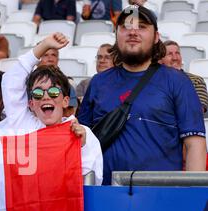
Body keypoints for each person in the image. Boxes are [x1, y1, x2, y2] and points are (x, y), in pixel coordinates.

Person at [78, 5, 206, 185]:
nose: (132, 32)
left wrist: (193, 198)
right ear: (116, 35)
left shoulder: (178, 82)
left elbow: (195, 145)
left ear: (156, 37)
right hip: (104, 197)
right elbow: (80, 143)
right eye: (125, 27)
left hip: (161, 197)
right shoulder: (98, 83)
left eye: (142, 26)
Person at [1, 33, 104, 185]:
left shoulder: (82, 134)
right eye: (37, 93)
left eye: (53, 91)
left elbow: (92, 182)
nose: (45, 97)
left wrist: (81, 147)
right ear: (30, 104)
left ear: (65, 101)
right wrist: (43, 46)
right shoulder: (23, 125)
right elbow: (11, 81)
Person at [159, 40, 208, 115]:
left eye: (177, 53)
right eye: (169, 54)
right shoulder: (154, 81)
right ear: (160, 60)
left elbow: (198, 110)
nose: (175, 58)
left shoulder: (196, 81)